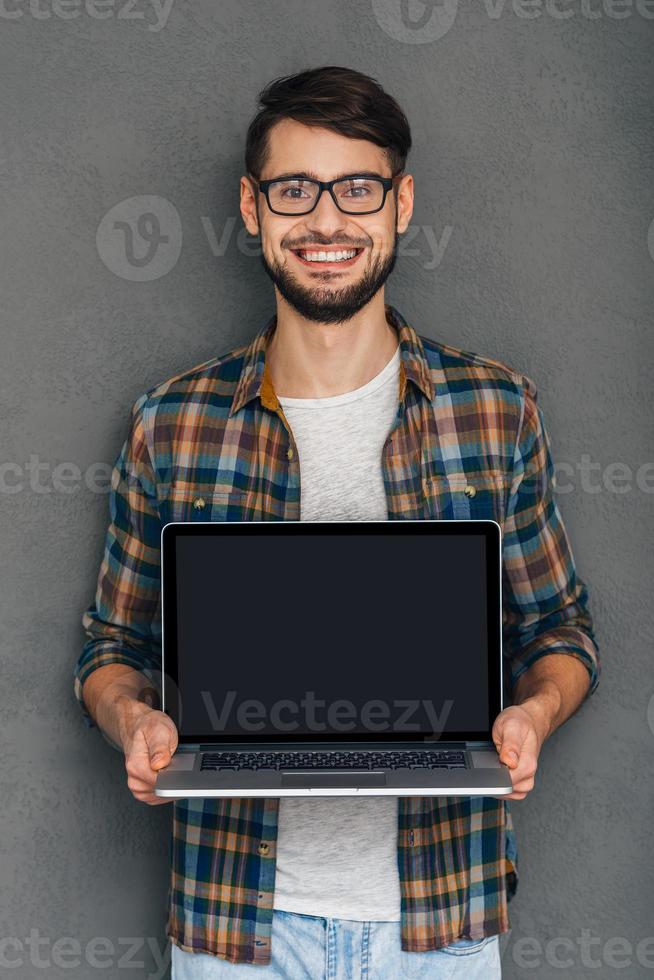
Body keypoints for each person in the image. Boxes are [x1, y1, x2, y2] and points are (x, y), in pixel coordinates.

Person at [73, 66, 600, 979]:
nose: (325, 221)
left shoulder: (495, 408)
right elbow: (111, 647)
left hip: (443, 925)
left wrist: (534, 715)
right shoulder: (172, 421)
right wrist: (134, 723)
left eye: (357, 188)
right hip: (235, 927)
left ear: (400, 204)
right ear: (252, 206)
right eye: (294, 190)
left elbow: (561, 630)